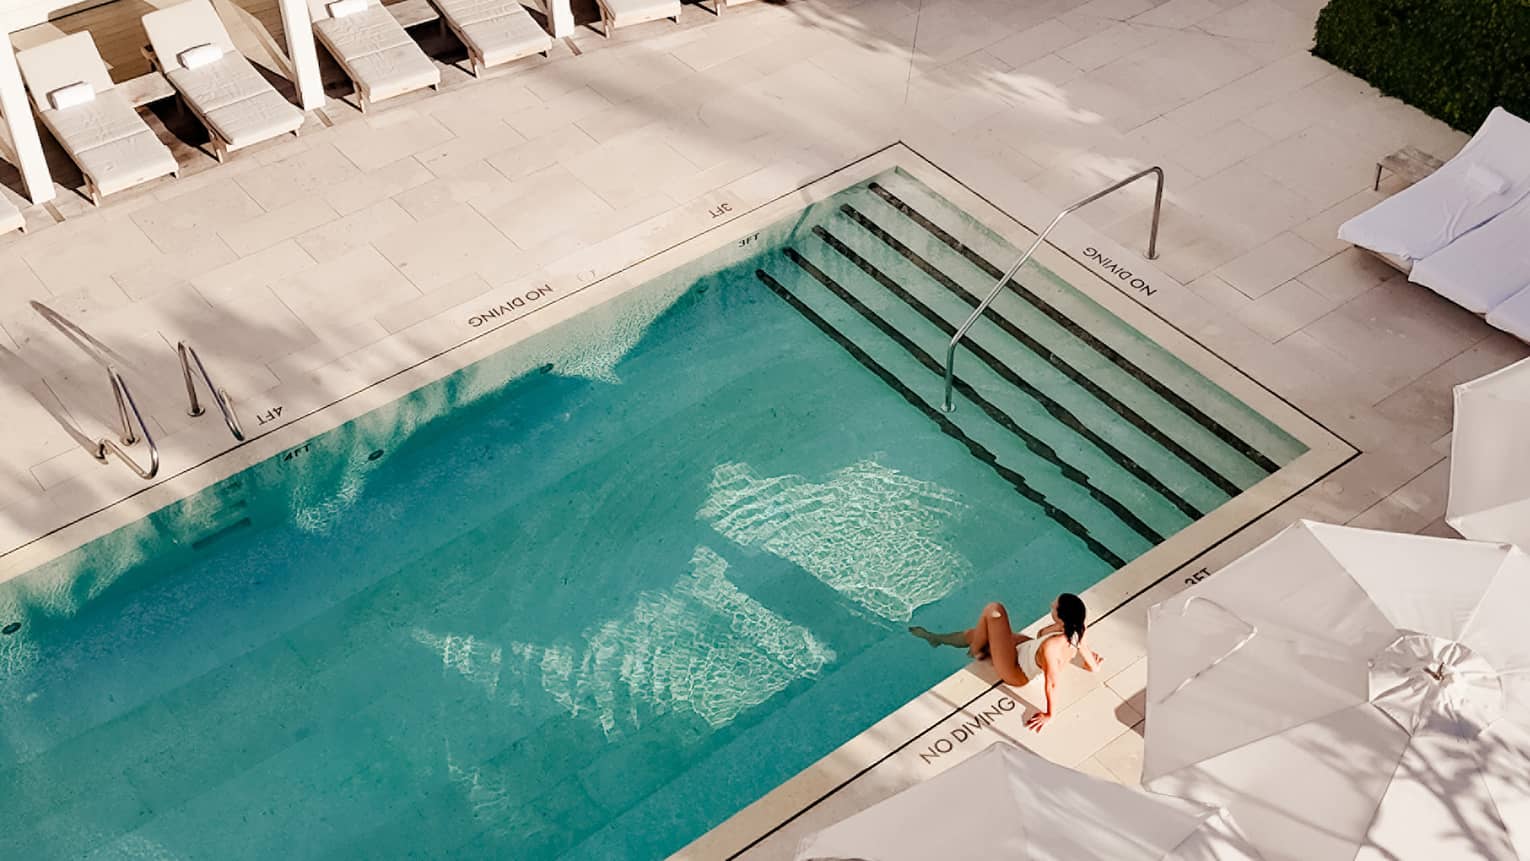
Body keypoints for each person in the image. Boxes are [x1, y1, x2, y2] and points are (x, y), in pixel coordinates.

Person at [909, 594, 1102, 732]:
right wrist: (1093, 666)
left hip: (1016, 670)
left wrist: (1050, 714)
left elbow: (1052, 682)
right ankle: (940, 639)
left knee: (994, 610)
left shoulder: (1051, 648)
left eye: (1054, 606)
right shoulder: (1077, 629)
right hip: (1027, 650)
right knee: (976, 634)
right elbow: (1082, 648)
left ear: (1061, 616)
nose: (1051, 604)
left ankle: (972, 648)